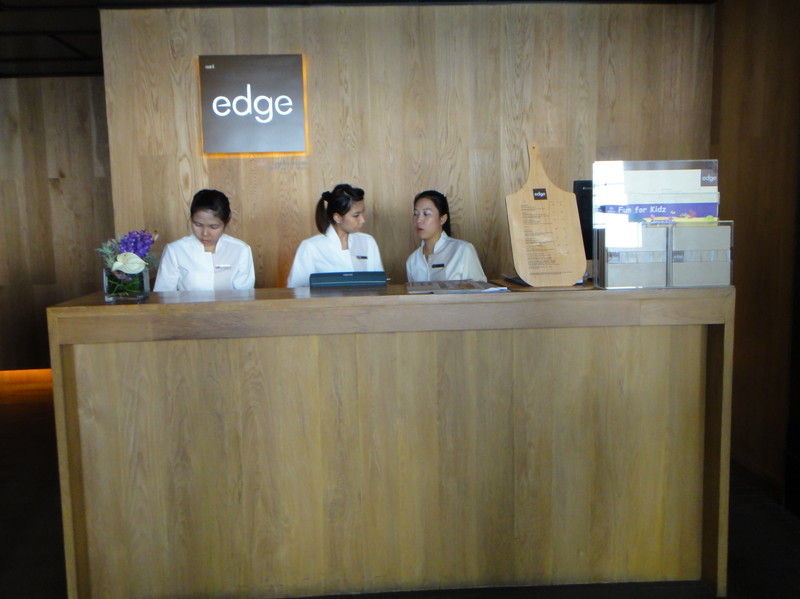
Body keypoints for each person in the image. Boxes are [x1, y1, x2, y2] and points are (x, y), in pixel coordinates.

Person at [153, 189, 255, 291]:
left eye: (213, 227)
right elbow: (163, 295)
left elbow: (245, 295)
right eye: (198, 225)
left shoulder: (240, 250)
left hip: (230, 302)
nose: (205, 233)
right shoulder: (175, 250)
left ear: (226, 222)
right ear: (191, 219)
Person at [287, 183, 383, 287]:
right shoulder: (311, 247)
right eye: (356, 215)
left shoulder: (368, 242)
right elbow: (296, 290)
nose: (362, 220)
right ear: (337, 218)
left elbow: (379, 284)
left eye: (362, 213)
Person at [406, 189, 487, 282]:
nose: (418, 220)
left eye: (426, 214)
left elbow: (480, 289)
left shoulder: (463, 250)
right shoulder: (412, 260)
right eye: (415, 214)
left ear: (442, 219)